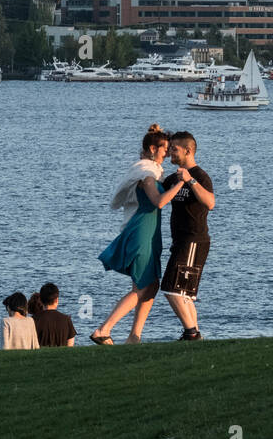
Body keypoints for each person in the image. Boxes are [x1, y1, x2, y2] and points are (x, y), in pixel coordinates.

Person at [91, 125, 178, 345]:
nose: (166, 153)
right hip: (141, 232)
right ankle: (104, 329)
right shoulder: (146, 174)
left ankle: (134, 337)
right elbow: (159, 201)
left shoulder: (150, 171)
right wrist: (183, 183)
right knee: (145, 286)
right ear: (152, 148)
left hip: (149, 232)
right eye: (164, 149)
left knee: (150, 285)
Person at [160, 131, 215, 340]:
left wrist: (190, 180)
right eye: (169, 148)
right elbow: (158, 195)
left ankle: (191, 332)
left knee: (171, 289)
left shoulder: (199, 176)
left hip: (194, 239)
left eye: (174, 149)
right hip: (180, 240)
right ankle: (195, 334)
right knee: (184, 294)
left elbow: (210, 202)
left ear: (188, 151)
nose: (170, 153)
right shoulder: (173, 177)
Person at [33, 282, 76, 347]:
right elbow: (70, 346)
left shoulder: (33, 320)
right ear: (56, 300)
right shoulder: (66, 320)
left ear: (41, 301)